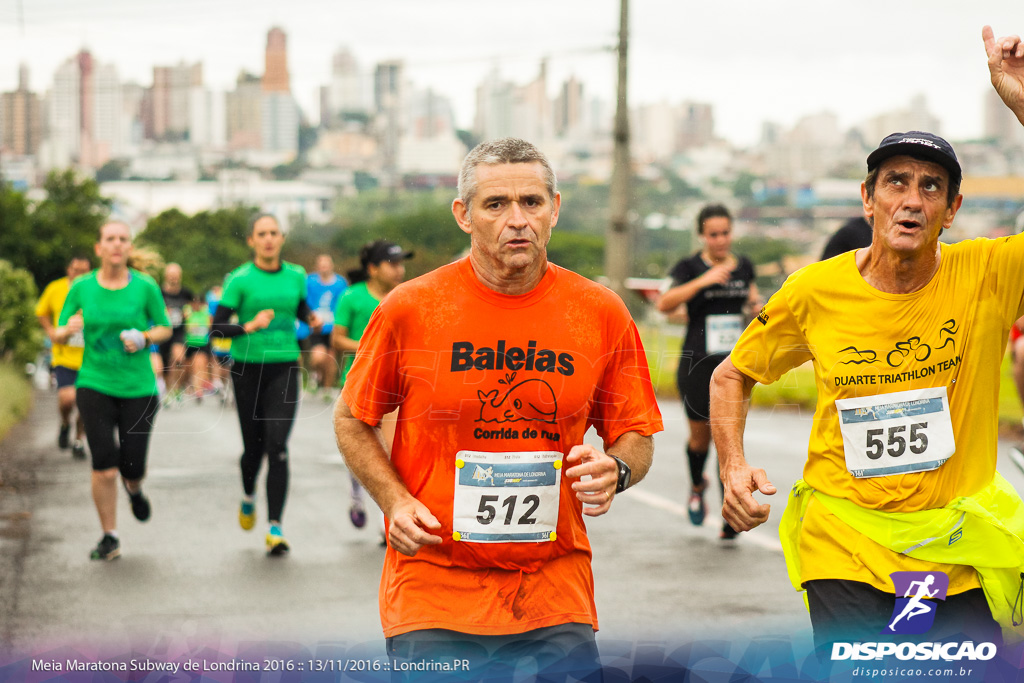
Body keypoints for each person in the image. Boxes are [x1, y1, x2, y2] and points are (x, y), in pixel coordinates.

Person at [710, 26, 1024, 649]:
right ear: (868, 199)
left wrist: (1020, 103)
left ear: (952, 208)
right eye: (896, 183)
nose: (912, 200)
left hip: (947, 545)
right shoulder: (814, 289)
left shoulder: (989, 273)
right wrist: (734, 467)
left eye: (931, 187)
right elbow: (732, 374)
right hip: (843, 537)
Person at [334, 137, 663, 679]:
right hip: (432, 589)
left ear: (554, 209)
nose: (518, 220)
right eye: (496, 205)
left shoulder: (599, 312)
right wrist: (393, 501)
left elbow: (636, 433)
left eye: (532, 203)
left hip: (554, 590)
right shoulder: (412, 309)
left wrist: (618, 469)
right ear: (464, 215)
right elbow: (352, 418)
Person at [53, 222, 171, 561]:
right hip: (94, 383)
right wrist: (69, 328)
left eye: (123, 239)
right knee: (104, 464)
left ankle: (134, 489)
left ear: (129, 247)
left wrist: (144, 337)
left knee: (132, 466)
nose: (117, 245)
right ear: (99, 247)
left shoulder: (145, 287)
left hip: (138, 388)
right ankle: (110, 536)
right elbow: (58, 333)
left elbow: (164, 327)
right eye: (110, 239)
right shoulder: (82, 287)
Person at [211, 214, 322, 556]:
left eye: (274, 233)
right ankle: (248, 495)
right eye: (262, 234)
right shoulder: (239, 279)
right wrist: (249, 325)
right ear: (252, 241)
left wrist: (310, 318)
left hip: (285, 366)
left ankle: (275, 527)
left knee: (278, 445)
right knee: (254, 449)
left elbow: (299, 307)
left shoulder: (296, 275)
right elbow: (216, 328)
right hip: (247, 369)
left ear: (282, 238)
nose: (269, 239)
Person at [656, 205, 760, 540]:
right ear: (702, 235)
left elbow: (753, 302)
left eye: (725, 233)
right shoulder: (689, 267)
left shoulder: (744, 266)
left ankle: (731, 512)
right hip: (697, 363)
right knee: (702, 439)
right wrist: (704, 281)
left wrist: (757, 309)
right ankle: (698, 485)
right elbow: (665, 303)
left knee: (729, 440)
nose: (720, 240)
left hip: (733, 365)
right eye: (713, 234)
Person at [331, 239, 412, 531]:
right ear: (372, 268)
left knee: (392, 449)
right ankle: (356, 490)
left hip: (397, 385)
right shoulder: (351, 297)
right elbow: (337, 340)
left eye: (401, 263)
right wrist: (372, 347)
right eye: (392, 264)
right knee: (364, 446)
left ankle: (386, 516)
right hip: (358, 382)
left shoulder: (406, 296)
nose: (399, 270)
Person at [35, 253, 93, 460]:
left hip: (90, 358)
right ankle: (65, 423)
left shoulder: (96, 289)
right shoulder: (56, 288)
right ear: (69, 270)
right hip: (64, 356)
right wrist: (51, 331)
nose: (80, 275)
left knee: (86, 404)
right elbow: (41, 311)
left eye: (84, 272)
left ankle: (79, 440)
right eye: (76, 270)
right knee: (68, 399)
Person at [305, 254, 347, 397]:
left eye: (326, 264)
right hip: (317, 326)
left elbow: (343, 304)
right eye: (321, 265)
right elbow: (304, 302)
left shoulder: (340, 283)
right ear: (317, 267)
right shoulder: (310, 281)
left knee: (331, 358)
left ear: (331, 265)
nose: (324, 267)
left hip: (333, 327)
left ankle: (327, 389)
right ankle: (315, 375)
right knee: (318, 357)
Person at [157, 263, 194, 404]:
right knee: (164, 365)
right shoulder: (159, 292)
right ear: (166, 276)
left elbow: (195, 308)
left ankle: (176, 388)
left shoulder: (186, 293)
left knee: (179, 358)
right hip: (163, 331)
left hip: (179, 331)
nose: (173, 279)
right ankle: (166, 390)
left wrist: (189, 313)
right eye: (171, 276)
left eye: (176, 276)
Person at [182, 291, 213, 401]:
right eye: (194, 303)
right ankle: (188, 384)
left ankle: (198, 390)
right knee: (188, 368)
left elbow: (211, 326)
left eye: (199, 303)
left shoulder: (206, 312)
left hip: (202, 344)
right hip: (189, 344)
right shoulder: (187, 311)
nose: (197, 305)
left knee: (199, 365)